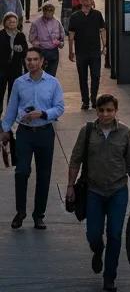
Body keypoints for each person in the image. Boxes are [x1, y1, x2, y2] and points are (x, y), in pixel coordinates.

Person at [66, 94, 130, 292]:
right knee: (93, 234)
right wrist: (70, 186)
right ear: (97, 111)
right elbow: (75, 160)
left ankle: (110, 277)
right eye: (102, 110)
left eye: (109, 110)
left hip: (118, 190)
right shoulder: (88, 131)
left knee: (115, 234)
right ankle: (97, 250)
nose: (105, 114)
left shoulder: (125, 133)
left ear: (116, 111)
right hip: (94, 190)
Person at [0, 45, 66, 229]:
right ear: (25, 62)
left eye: (35, 59)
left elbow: (59, 108)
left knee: (44, 175)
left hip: (45, 132)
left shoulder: (53, 83)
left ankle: (39, 215)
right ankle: (20, 211)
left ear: (42, 61)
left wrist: (43, 114)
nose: (31, 63)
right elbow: (12, 108)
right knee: (21, 171)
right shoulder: (19, 83)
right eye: (28, 60)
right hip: (24, 133)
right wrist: (5, 129)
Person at [68, 0, 107, 111]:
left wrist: (105, 45)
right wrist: (71, 51)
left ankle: (94, 99)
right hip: (81, 51)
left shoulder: (97, 14)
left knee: (95, 76)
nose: (89, 2)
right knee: (82, 77)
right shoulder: (75, 16)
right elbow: (71, 35)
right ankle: (85, 101)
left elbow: (102, 30)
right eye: (86, 0)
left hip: (95, 51)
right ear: (81, 1)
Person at [0, 12, 28, 108]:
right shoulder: (1, 35)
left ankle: (10, 116)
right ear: (5, 22)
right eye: (10, 21)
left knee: (13, 94)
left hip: (15, 69)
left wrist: (20, 49)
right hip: (2, 69)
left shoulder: (20, 35)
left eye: (14, 22)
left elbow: (25, 52)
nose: (12, 24)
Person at [28, 2, 64, 77]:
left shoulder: (57, 22)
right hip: (41, 52)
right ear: (43, 11)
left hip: (53, 53)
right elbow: (31, 38)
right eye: (47, 10)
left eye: (51, 10)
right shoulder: (36, 23)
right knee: (39, 76)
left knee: (51, 76)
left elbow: (62, 38)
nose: (49, 12)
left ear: (53, 11)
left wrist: (60, 43)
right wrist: (37, 44)